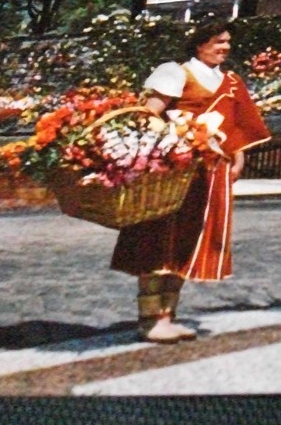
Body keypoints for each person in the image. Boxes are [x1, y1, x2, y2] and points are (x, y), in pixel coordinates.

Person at [110, 19, 270, 343]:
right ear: (199, 44)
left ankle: (168, 315)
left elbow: (237, 126)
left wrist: (237, 157)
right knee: (159, 240)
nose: (224, 47)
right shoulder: (175, 73)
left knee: (188, 242)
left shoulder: (232, 81)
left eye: (226, 42)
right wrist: (175, 141)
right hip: (174, 172)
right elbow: (148, 114)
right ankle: (149, 319)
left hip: (211, 174)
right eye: (217, 41)